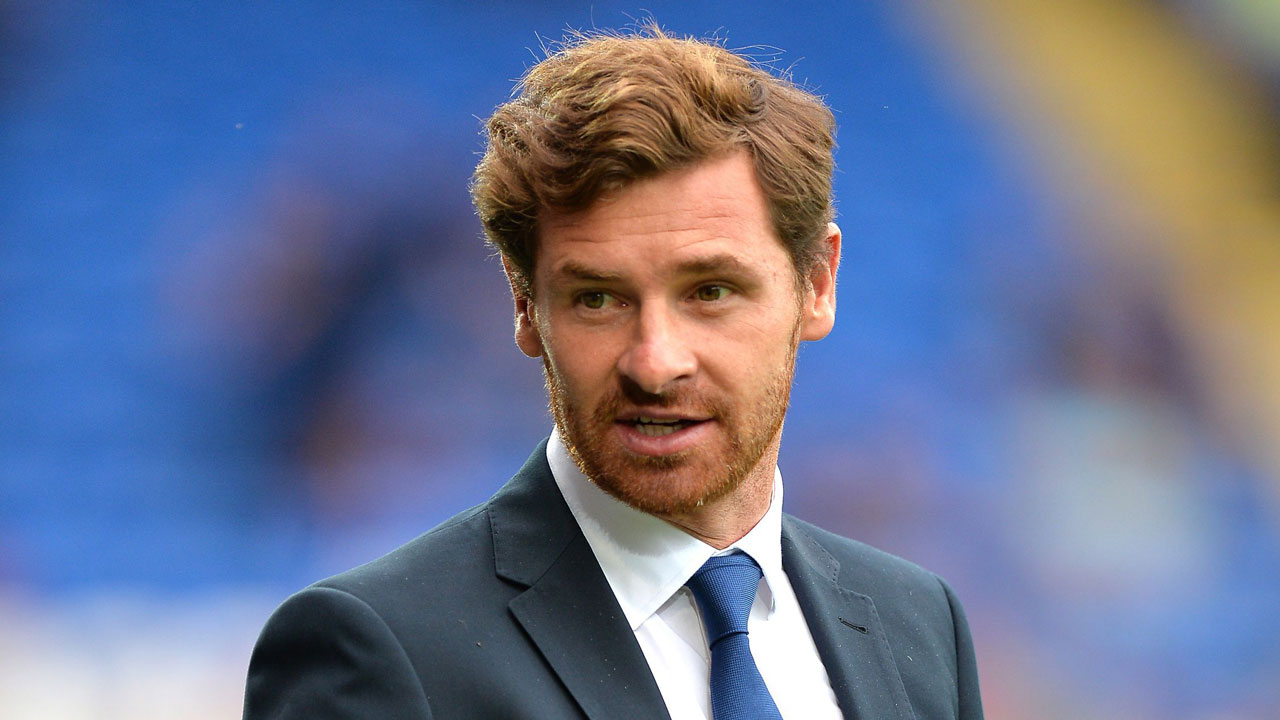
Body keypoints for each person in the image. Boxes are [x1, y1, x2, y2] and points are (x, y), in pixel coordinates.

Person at [243, 27, 983, 720]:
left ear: (817, 283)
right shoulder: (378, 648)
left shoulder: (920, 623)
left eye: (710, 291)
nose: (655, 363)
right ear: (525, 306)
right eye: (597, 299)